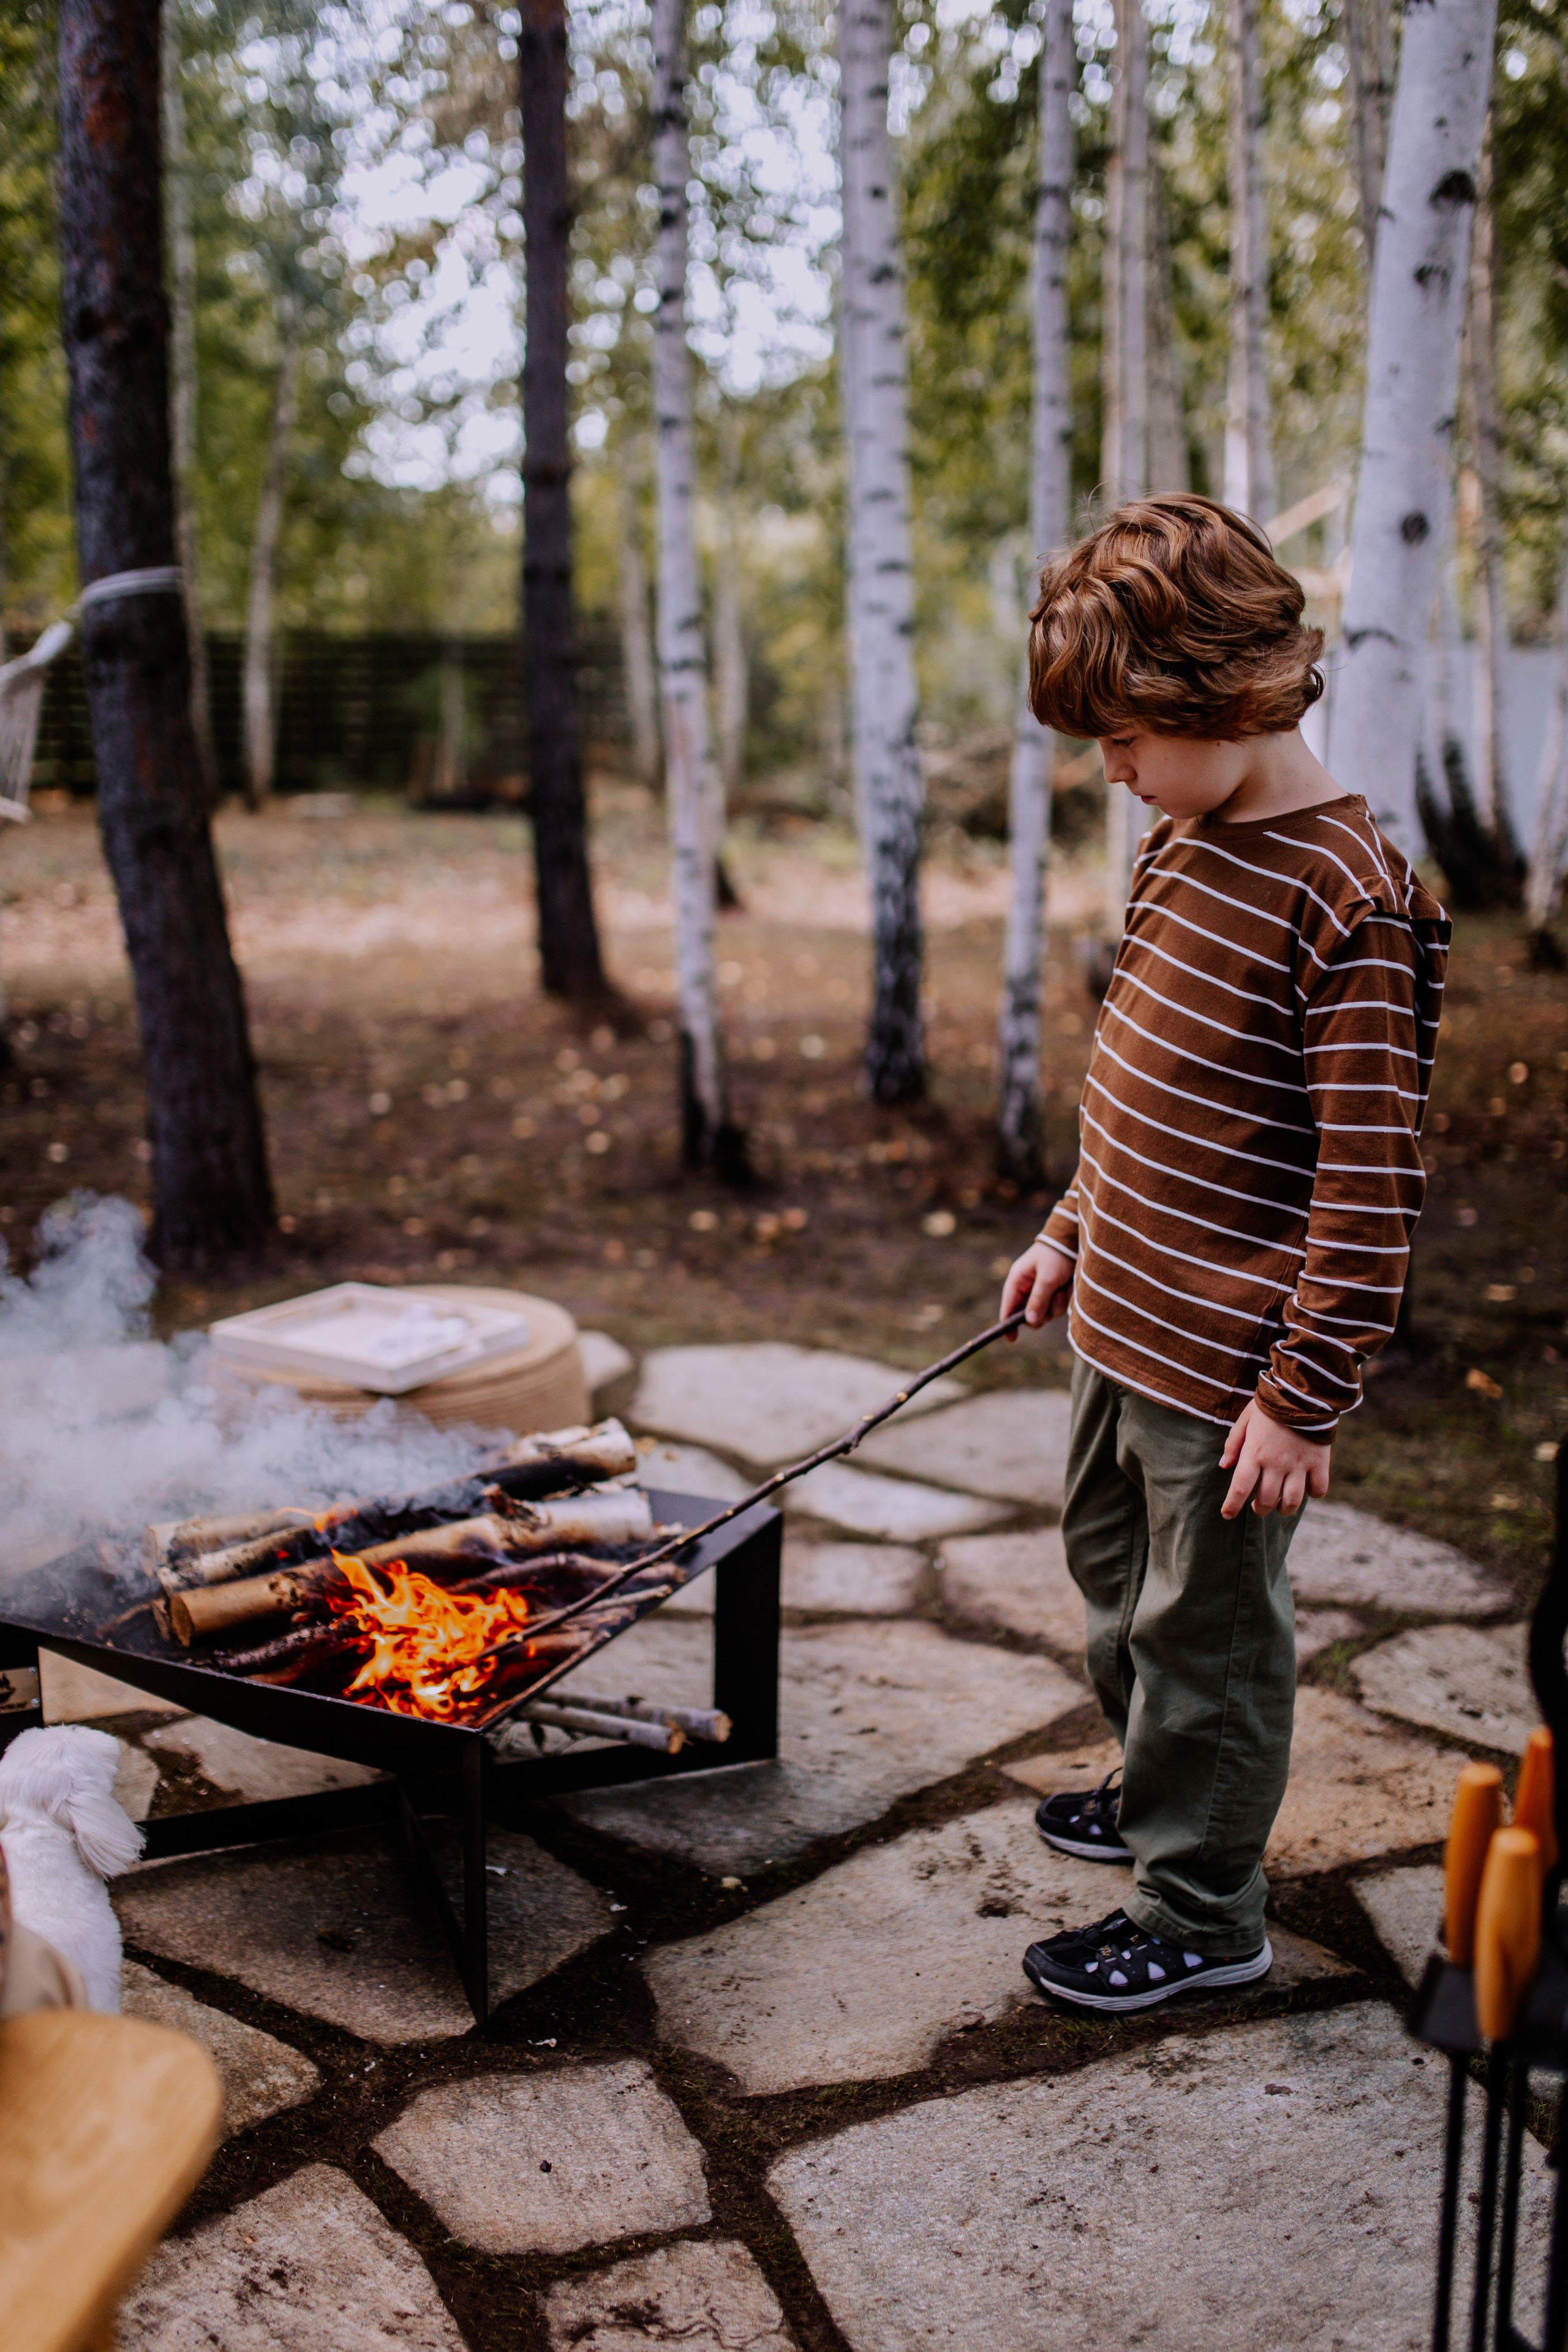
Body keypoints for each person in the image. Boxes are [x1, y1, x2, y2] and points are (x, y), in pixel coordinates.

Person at [1001, 493, 1448, 2011]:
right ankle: (1156, 1787)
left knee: (1208, 1637)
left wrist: (1300, 1395)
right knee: (1115, 1582)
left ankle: (1199, 1908)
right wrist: (1068, 1228)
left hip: (1226, 1371)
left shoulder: (1348, 900)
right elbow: (1133, 1078)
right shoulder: (1179, 847)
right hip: (1117, 1325)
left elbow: (1368, 1184)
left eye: (1124, 737)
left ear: (1221, 693)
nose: (1111, 770)